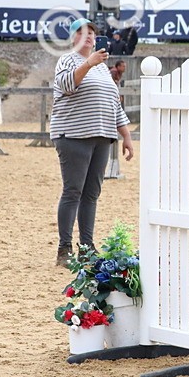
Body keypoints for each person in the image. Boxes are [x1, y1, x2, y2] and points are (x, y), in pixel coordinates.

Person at [50, 18, 134, 265]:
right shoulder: (67, 60)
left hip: (101, 135)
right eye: (83, 32)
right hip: (73, 134)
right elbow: (67, 85)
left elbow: (113, 102)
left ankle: (87, 245)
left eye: (92, 33)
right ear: (73, 37)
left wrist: (126, 134)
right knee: (73, 190)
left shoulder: (100, 68)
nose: (89, 36)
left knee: (91, 193)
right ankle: (64, 248)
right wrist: (88, 63)